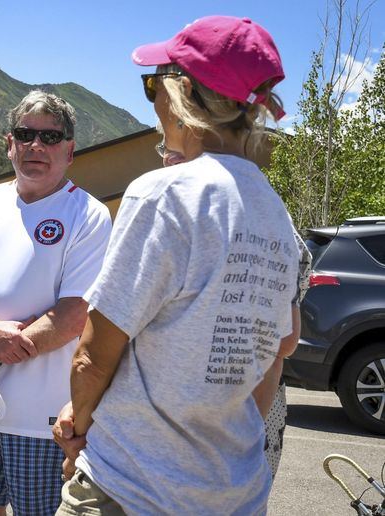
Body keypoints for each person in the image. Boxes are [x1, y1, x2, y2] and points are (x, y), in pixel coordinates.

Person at [53, 16, 301, 514]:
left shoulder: (163, 194)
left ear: (183, 92)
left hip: (132, 487)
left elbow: (93, 356)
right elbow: (275, 355)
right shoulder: (277, 214)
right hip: (234, 492)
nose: (155, 104)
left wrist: (78, 429)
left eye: (154, 86)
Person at [0, 90, 111, 516]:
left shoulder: (87, 215)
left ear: (70, 151)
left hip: (44, 422)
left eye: (51, 138)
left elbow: (73, 317)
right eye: (25, 134)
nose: (37, 146)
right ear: (9, 143)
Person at [154, 139, 313, 478]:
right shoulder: (165, 217)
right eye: (165, 148)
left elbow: (285, 341)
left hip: (241, 409)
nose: (170, 158)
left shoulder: (261, 219)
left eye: (180, 149)